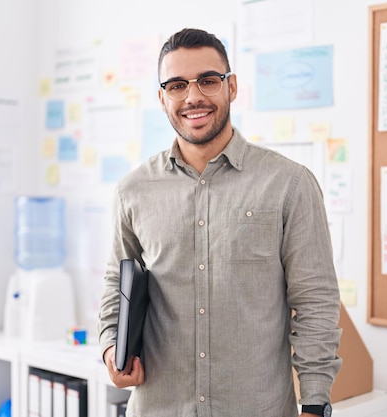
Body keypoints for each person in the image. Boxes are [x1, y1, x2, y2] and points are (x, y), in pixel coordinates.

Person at [98, 28, 342, 417]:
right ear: (162, 99)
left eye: (208, 81)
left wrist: (314, 403)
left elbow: (315, 303)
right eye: (177, 85)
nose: (193, 97)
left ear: (231, 87)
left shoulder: (289, 183)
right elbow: (116, 284)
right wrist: (112, 347)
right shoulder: (133, 190)